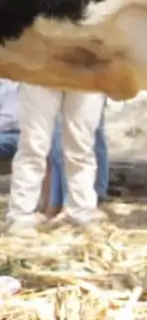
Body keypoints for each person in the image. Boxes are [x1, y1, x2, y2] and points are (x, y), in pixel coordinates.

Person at [6, 82, 107, 235]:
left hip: (87, 70)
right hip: (40, 70)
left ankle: (82, 211)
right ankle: (21, 216)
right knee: (33, 146)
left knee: (81, 147)